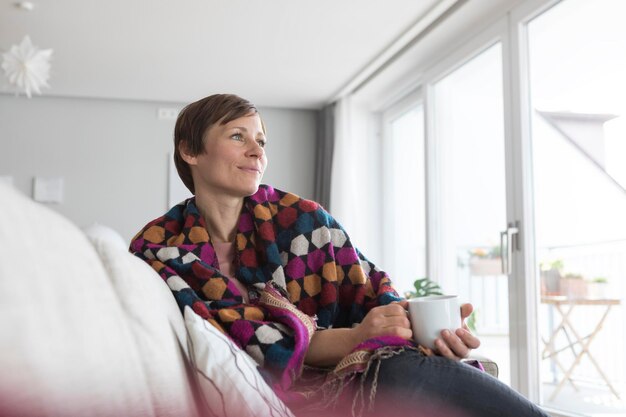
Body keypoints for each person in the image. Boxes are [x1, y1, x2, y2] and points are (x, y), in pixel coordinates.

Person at [130, 93, 548, 417]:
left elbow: (370, 289)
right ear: (190, 150)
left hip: (366, 368)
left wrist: (425, 330)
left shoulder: (304, 220)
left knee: (400, 370)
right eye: (238, 136)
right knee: (394, 375)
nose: (258, 152)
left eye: (261, 140)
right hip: (299, 389)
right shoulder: (160, 249)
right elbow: (240, 341)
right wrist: (355, 338)